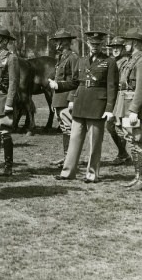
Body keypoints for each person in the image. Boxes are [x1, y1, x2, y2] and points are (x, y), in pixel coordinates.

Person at [54, 30, 118, 183]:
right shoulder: (82, 61)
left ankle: (92, 174)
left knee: (94, 142)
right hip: (80, 103)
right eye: (92, 44)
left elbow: (112, 87)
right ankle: (68, 172)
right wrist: (60, 87)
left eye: (98, 44)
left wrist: (109, 109)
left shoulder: (109, 62)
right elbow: (75, 82)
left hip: (97, 105)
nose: (95, 46)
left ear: (102, 44)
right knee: (74, 139)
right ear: (88, 44)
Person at [113, 28, 142, 190]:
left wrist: (134, 109)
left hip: (134, 108)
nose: (124, 44)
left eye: (127, 42)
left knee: (139, 140)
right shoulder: (131, 59)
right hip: (125, 105)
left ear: (135, 42)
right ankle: (137, 177)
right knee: (132, 140)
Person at [0, 27, 19, 176]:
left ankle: (8, 166)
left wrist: (9, 103)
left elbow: (13, 82)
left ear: (5, 41)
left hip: (3, 97)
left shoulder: (11, 58)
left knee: (5, 132)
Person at [47, 29, 80, 168]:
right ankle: (67, 156)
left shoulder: (73, 57)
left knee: (69, 129)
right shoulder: (62, 57)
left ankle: (71, 159)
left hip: (66, 99)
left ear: (65, 42)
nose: (56, 44)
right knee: (64, 129)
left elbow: (76, 81)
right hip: (59, 99)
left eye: (58, 41)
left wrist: (72, 99)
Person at [106, 36, 132, 165]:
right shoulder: (111, 61)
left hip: (122, 96)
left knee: (121, 126)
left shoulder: (126, 62)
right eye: (113, 47)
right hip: (113, 96)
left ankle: (124, 154)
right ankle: (123, 153)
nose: (115, 49)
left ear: (123, 49)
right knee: (111, 126)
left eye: (118, 47)